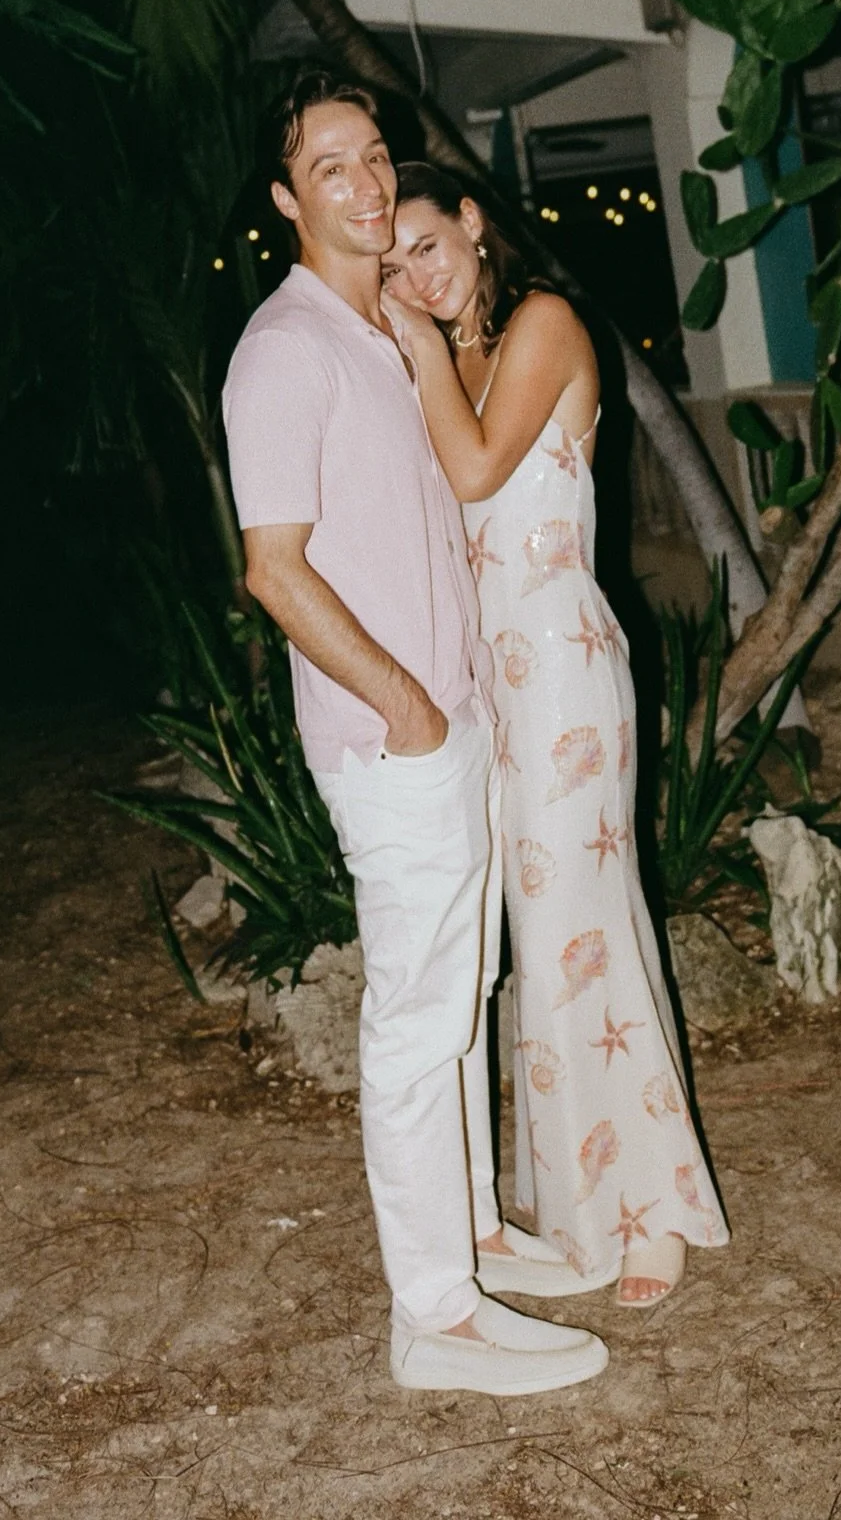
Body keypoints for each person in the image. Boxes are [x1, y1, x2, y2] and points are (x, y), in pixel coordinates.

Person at [220, 73, 609, 1394]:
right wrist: (405, 706)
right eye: (332, 166)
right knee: (414, 1023)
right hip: (399, 744)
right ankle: (436, 1319)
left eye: (376, 156)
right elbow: (272, 570)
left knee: (463, 999)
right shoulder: (284, 351)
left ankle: (481, 1233)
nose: (368, 183)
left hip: (463, 721)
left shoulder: (380, 333)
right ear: (288, 199)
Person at [381, 161, 730, 1308]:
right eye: (393, 268)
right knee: (542, 938)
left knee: (586, 924)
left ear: (474, 223)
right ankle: (589, 1195)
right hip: (491, 679)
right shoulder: (457, 352)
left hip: (567, 672)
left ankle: (657, 1211)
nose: (415, 278)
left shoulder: (541, 322)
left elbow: (481, 467)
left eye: (426, 247)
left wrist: (421, 353)